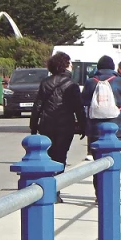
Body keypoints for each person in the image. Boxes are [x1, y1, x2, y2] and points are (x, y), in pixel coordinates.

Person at [30, 51, 87, 180]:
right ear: (64, 66)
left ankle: (49, 182)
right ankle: (57, 186)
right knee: (61, 156)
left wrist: (33, 125)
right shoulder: (72, 85)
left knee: (49, 155)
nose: (72, 66)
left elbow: (38, 105)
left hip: (47, 125)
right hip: (66, 126)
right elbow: (78, 108)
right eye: (70, 63)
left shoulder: (45, 83)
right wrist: (83, 126)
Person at [82, 54, 121, 151]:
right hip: (117, 130)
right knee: (115, 160)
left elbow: (83, 105)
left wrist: (86, 128)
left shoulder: (90, 82)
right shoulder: (120, 82)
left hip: (95, 131)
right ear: (113, 67)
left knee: (98, 163)